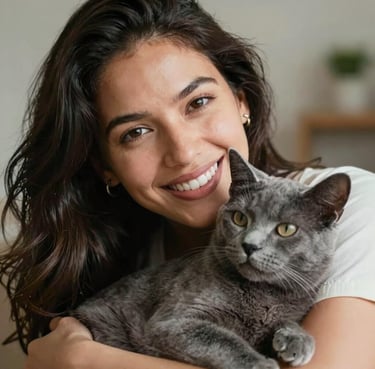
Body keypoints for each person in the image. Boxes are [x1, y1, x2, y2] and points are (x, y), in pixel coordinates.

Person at [1, 0, 375, 368]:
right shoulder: (112, 257)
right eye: (137, 132)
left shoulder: (359, 209)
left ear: (241, 101)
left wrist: (86, 359)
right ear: (104, 166)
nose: (182, 152)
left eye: (197, 102)